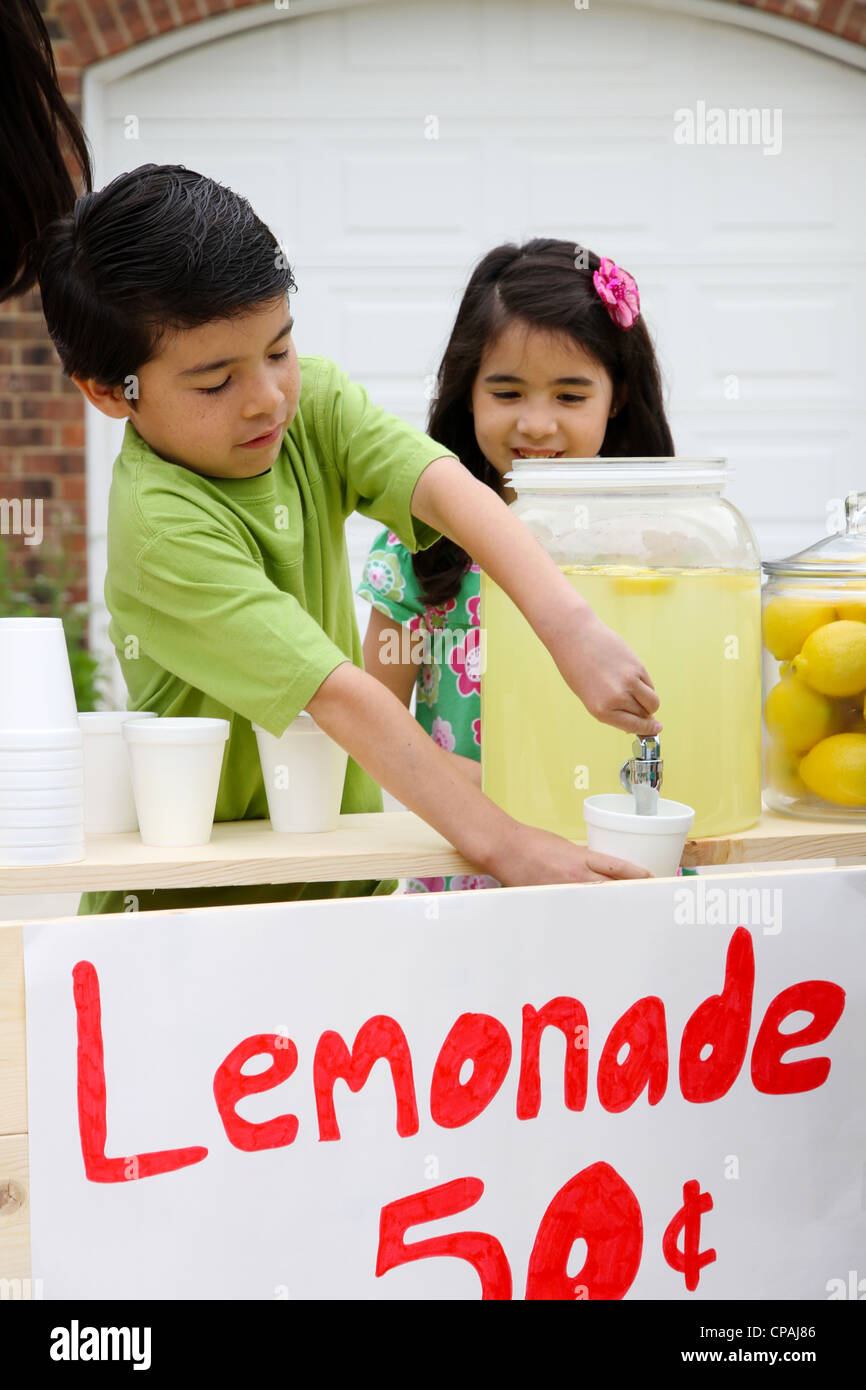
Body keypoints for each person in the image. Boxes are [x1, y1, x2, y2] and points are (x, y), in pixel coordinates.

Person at [0, 1, 661, 915]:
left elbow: (447, 488)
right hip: (199, 912)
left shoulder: (309, 404)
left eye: (278, 347)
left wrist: (568, 626)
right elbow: (339, 695)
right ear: (111, 393)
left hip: (339, 891)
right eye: (215, 379)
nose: (267, 395)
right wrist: (502, 844)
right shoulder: (163, 525)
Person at [358, 239, 675, 893]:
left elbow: (684, 719)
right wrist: (493, 790)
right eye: (506, 391)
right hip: (467, 872)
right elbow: (371, 726)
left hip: (621, 864)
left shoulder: (658, 547)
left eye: (570, 395)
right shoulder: (419, 545)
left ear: (615, 397)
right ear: (466, 391)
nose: (537, 424)